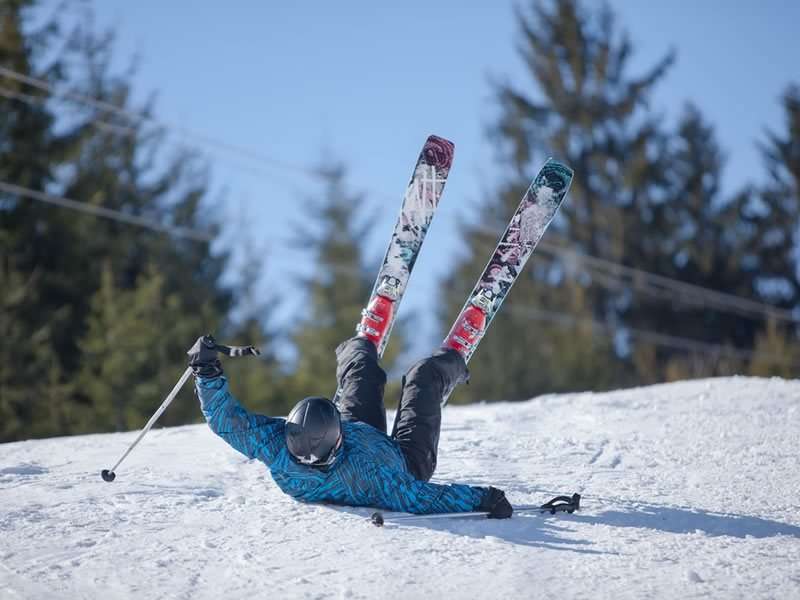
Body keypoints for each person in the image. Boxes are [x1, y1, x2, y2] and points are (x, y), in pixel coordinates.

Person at [188, 300, 513, 518]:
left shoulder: (276, 446)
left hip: (361, 434)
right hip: (406, 462)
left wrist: (206, 371)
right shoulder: (373, 479)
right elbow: (426, 498)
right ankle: (454, 358)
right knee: (421, 378)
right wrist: (484, 498)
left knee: (360, 371)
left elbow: (225, 419)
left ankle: (363, 341)